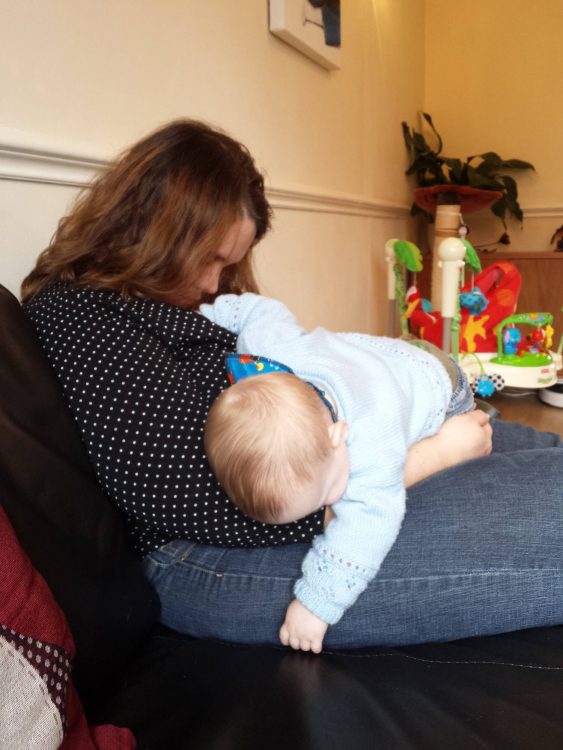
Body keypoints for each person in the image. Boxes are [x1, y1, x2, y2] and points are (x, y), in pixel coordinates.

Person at [20, 119, 563, 654]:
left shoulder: (171, 303)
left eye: (228, 264)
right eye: (209, 259)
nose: (213, 284)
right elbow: (194, 498)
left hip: (338, 475)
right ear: (154, 230)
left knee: (546, 453)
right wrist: (429, 457)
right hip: (215, 551)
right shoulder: (78, 313)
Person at [200, 292, 479, 652]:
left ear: (339, 435)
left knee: (472, 435)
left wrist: (315, 605)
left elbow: (367, 528)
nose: (332, 503)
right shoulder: (272, 351)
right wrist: (209, 314)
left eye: (328, 492)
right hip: (386, 355)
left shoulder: (371, 440)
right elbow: (258, 310)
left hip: (440, 379)